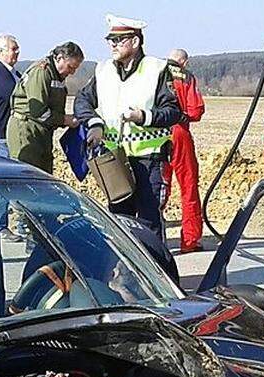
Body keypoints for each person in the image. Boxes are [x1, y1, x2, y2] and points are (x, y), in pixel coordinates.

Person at [74, 14, 182, 239]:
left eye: (119, 40)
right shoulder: (103, 71)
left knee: (149, 222)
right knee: (119, 221)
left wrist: (143, 116)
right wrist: (94, 123)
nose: (112, 45)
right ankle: (123, 272)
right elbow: (82, 101)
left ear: (135, 41)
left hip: (149, 160)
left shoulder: (157, 69)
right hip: (114, 161)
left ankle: (155, 270)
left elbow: (173, 112)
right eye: (110, 40)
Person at [8, 43, 84, 174]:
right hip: (27, 129)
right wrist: (65, 120)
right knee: (29, 174)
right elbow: (38, 111)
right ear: (60, 58)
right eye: (70, 67)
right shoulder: (41, 71)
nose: (72, 72)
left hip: (43, 131)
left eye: (75, 69)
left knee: (44, 174)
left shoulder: (58, 76)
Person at [163, 49, 207, 254]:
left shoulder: (156, 72)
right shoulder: (187, 77)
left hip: (157, 133)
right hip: (180, 132)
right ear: (185, 62)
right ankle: (189, 241)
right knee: (188, 186)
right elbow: (195, 110)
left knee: (159, 187)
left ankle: (155, 236)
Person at [0, 33, 22, 158]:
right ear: (0, 51)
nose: (17, 52)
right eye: (13, 49)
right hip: (0, 137)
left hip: (10, 135)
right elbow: (15, 96)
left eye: (17, 49)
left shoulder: (14, 73)